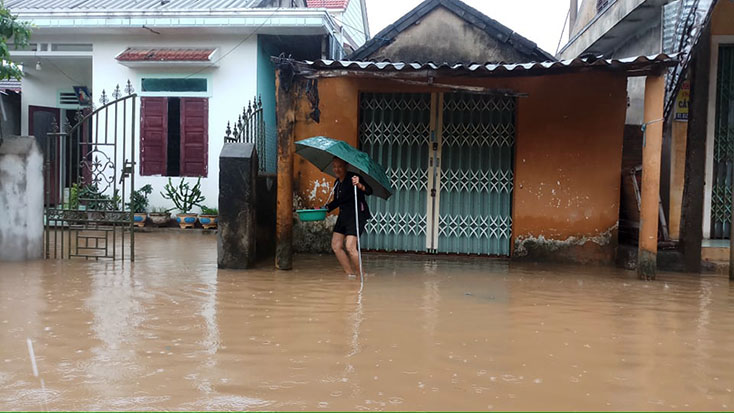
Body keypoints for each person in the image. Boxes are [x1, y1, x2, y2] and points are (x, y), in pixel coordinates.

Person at [325, 157, 373, 277]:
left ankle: (361, 275)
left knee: (350, 247)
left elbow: (369, 190)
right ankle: (350, 274)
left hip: (356, 215)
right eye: (335, 166)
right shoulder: (337, 183)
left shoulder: (354, 178)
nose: (337, 169)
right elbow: (337, 201)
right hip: (343, 215)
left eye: (340, 166)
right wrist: (324, 209)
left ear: (346, 166)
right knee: (336, 246)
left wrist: (359, 185)